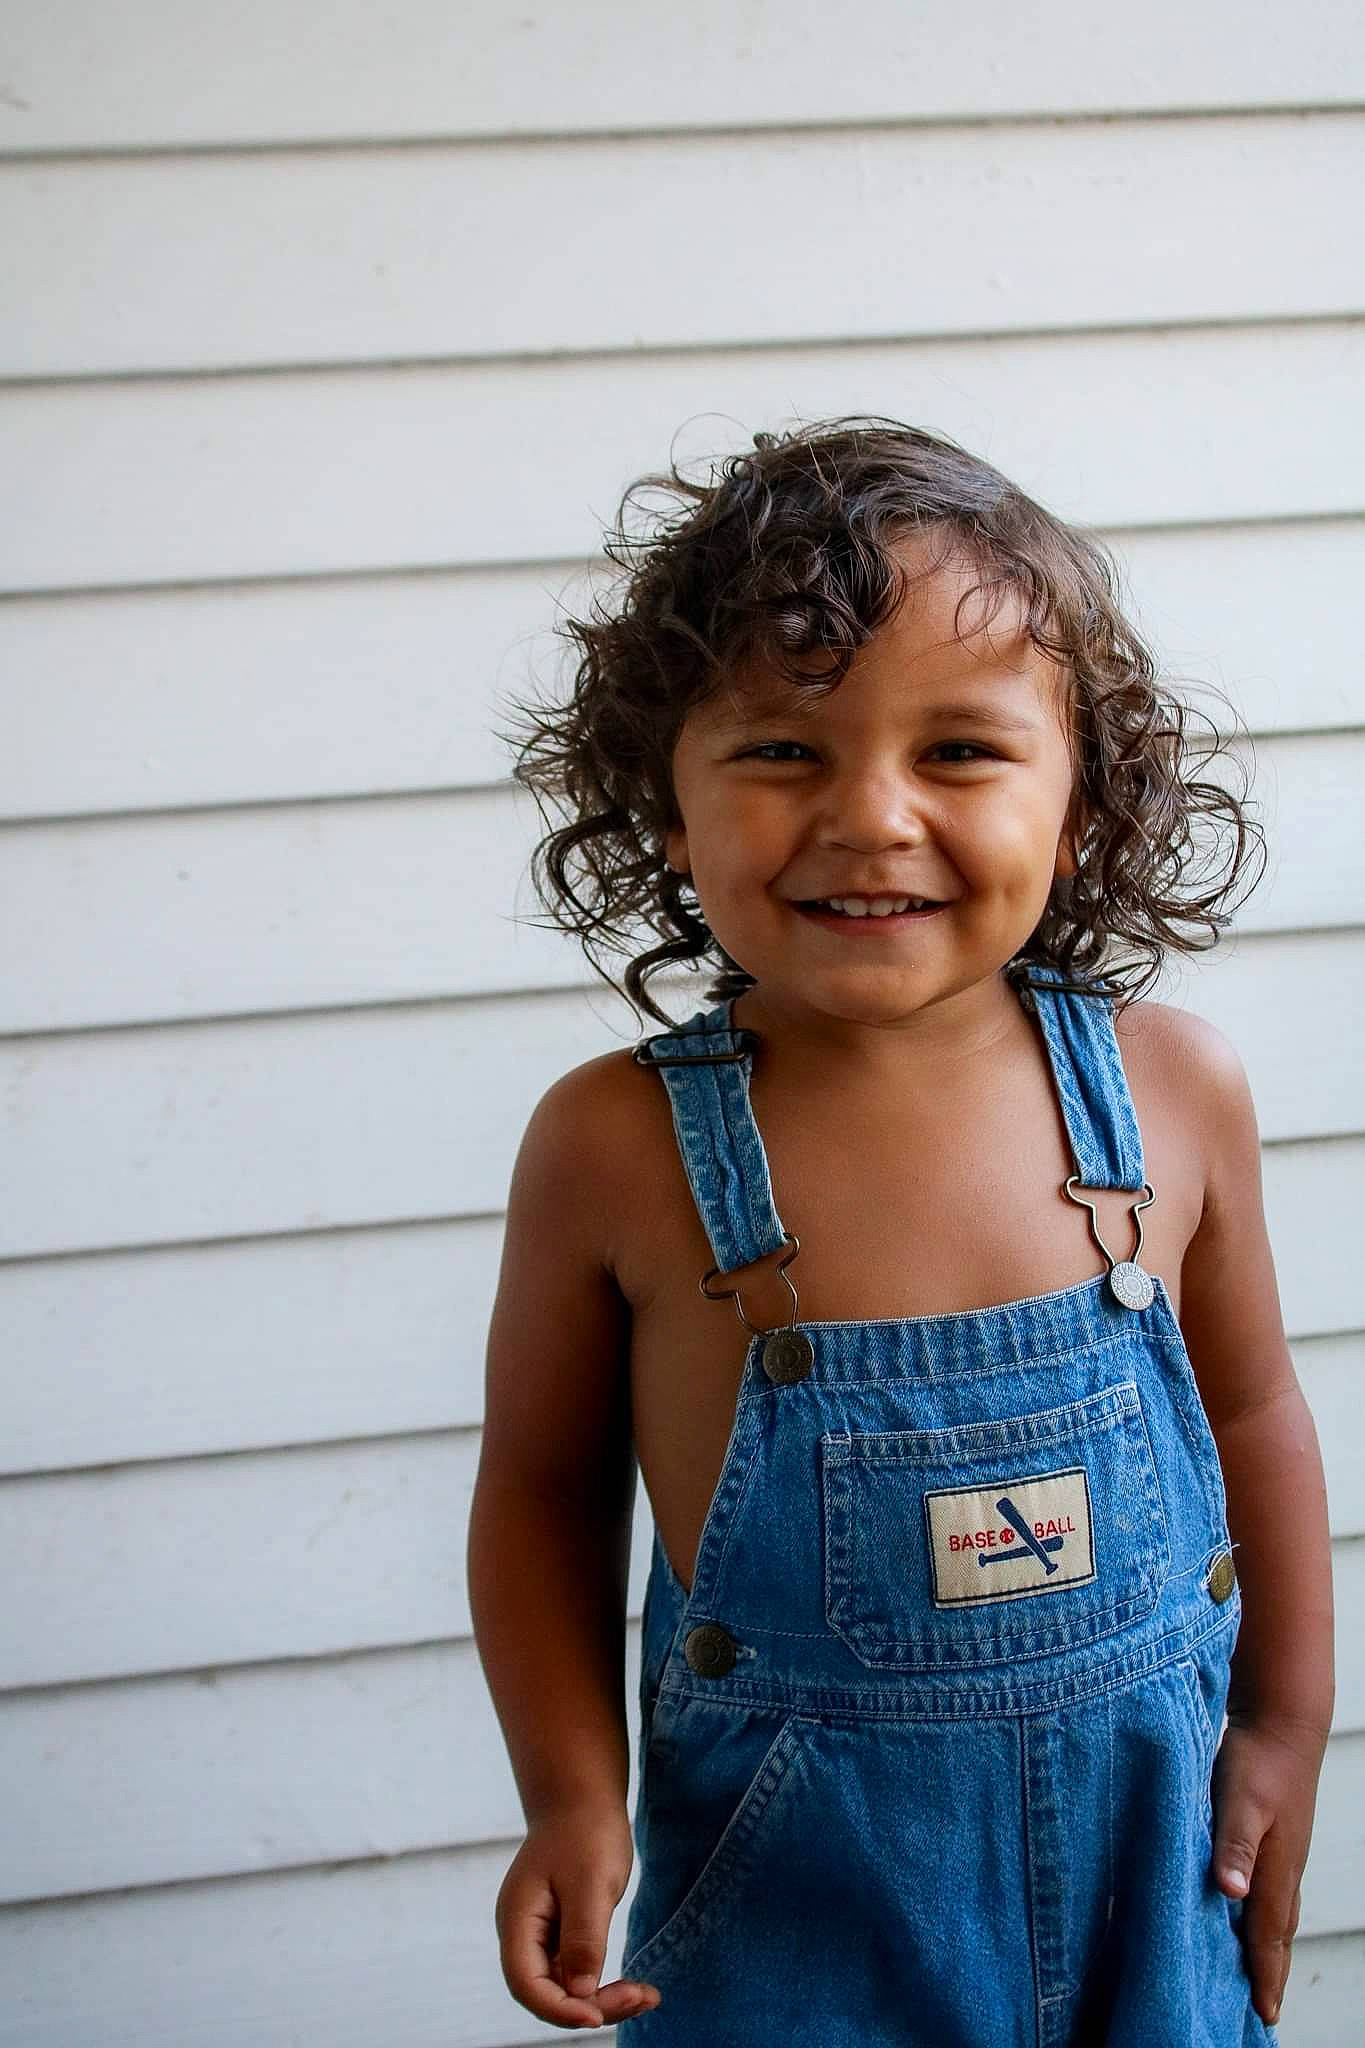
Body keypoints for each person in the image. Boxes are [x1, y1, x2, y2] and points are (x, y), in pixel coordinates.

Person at [467, 416, 1333, 2043]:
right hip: (802, 1929)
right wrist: (571, 1797)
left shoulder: (1175, 1094)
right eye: (783, 753)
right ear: (662, 802)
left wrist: (1287, 1721)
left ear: (1077, 800)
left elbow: (1251, 1414)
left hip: (1155, 1890)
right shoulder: (616, 1146)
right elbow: (537, 1491)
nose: (870, 815)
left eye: (957, 752)